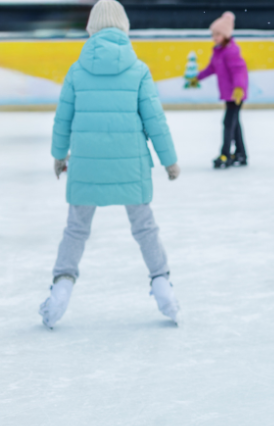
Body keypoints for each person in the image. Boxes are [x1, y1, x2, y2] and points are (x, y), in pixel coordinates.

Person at [39, 0, 181, 329]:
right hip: (129, 166)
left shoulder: (77, 70)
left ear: (91, 29)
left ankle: (61, 287)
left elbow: (63, 118)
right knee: (145, 228)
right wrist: (169, 160)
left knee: (76, 229)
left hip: (86, 165)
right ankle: (162, 285)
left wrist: (59, 155)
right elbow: (155, 121)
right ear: (124, 29)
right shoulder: (138, 69)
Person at [193, 12, 250, 169]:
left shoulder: (231, 51)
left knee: (228, 122)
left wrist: (239, 88)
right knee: (234, 123)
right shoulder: (218, 51)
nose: (215, 37)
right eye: (213, 34)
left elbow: (238, 70)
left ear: (225, 34)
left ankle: (225, 154)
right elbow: (211, 68)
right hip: (229, 94)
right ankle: (240, 153)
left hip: (236, 94)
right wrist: (197, 78)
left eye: (218, 34)